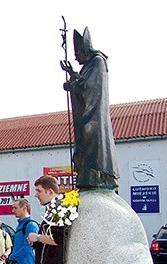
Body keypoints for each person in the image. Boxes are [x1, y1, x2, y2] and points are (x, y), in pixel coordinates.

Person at [60, 27, 119, 190]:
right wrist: (72, 79)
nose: (77, 58)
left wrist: (73, 77)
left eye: (78, 54)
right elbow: (81, 85)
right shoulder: (87, 66)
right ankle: (87, 176)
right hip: (86, 115)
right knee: (84, 144)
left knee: (95, 144)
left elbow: (90, 87)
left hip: (94, 116)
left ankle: (99, 175)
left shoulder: (98, 62)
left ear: (85, 50)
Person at [28, 175, 65, 264]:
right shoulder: (52, 209)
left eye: (39, 191)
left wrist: (37, 237)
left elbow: (58, 239)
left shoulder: (61, 210)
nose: (36, 195)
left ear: (50, 191)